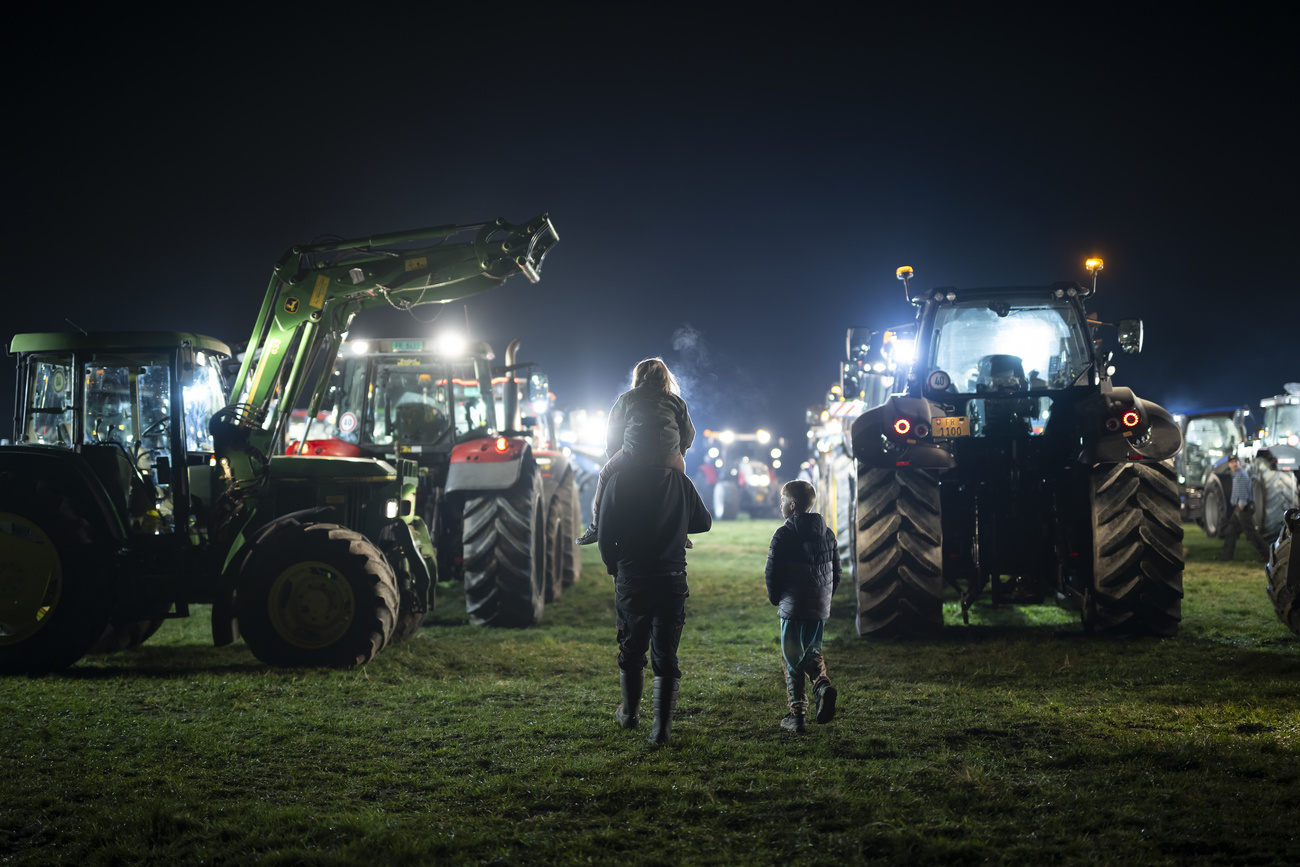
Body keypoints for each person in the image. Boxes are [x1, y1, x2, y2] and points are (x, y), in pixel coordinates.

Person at [598, 463, 712, 744]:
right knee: (665, 652)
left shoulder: (618, 480)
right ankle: (661, 730)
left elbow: (604, 531)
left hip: (632, 579)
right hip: (672, 579)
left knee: (631, 646)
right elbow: (704, 522)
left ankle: (629, 715)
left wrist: (614, 568)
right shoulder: (680, 481)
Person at [576, 357, 695, 545]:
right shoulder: (676, 401)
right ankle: (683, 531)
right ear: (665, 377)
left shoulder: (627, 398)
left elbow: (614, 430)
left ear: (639, 376)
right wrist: (678, 453)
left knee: (604, 475)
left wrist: (613, 453)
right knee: (682, 484)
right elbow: (689, 432)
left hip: (635, 455)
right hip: (670, 457)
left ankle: (596, 527)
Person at [765, 479, 840, 733]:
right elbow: (836, 571)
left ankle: (797, 715)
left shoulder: (784, 534)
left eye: (782, 501)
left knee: (792, 658)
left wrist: (776, 598)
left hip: (793, 606)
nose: (780, 505)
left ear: (793, 506)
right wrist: (825, 598)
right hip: (819, 606)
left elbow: (773, 571)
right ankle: (822, 686)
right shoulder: (827, 533)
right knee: (811, 652)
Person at [1216, 455, 1270, 563]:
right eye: (1232, 462)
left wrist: (1241, 504)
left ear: (1238, 463)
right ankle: (1227, 556)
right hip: (1239, 508)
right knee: (1230, 530)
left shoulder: (1241, 475)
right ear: (1229, 464)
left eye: (1235, 462)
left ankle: (1267, 555)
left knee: (1250, 532)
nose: (1234, 464)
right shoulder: (1236, 475)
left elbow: (1242, 491)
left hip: (1244, 507)